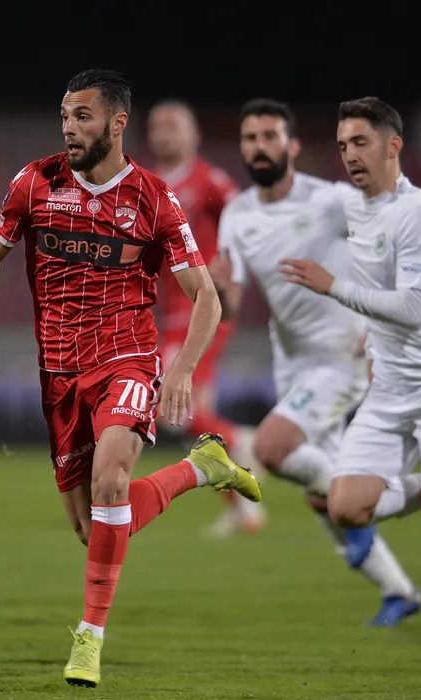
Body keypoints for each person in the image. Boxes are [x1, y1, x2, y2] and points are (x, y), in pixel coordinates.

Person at [0, 68, 261, 688]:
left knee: (112, 483)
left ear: (117, 123)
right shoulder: (35, 182)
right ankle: (201, 468)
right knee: (94, 527)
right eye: (64, 116)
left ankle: (89, 637)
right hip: (58, 371)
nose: (69, 128)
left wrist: (181, 371)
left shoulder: (154, 198)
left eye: (82, 117)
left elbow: (207, 297)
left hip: (127, 358)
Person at [280, 96, 421, 664]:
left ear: (393, 145)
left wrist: (333, 286)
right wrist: (368, 337)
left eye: (360, 143)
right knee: (345, 506)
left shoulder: (419, 213)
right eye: (342, 146)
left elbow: (412, 307)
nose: (349, 156)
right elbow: (381, 293)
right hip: (390, 388)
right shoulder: (356, 210)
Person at [217, 97, 421, 626]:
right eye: (250, 138)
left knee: (271, 448)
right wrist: (213, 287)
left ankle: (382, 509)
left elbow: (389, 246)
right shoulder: (237, 214)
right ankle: (400, 590)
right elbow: (231, 301)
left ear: (291, 145)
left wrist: (379, 328)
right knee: (325, 493)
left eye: (269, 136)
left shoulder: (331, 200)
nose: (259, 147)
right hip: (291, 363)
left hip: (341, 357)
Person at [146, 99, 268, 536]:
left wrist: (232, 277)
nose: (164, 133)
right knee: (192, 412)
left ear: (194, 135)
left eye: (173, 126)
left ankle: (239, 442)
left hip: (202, 307)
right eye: (158, 126)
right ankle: (243, 511)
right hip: (167, 311)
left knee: (168, 405)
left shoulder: (209, 181)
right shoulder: (145, 184)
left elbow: (246, 227)